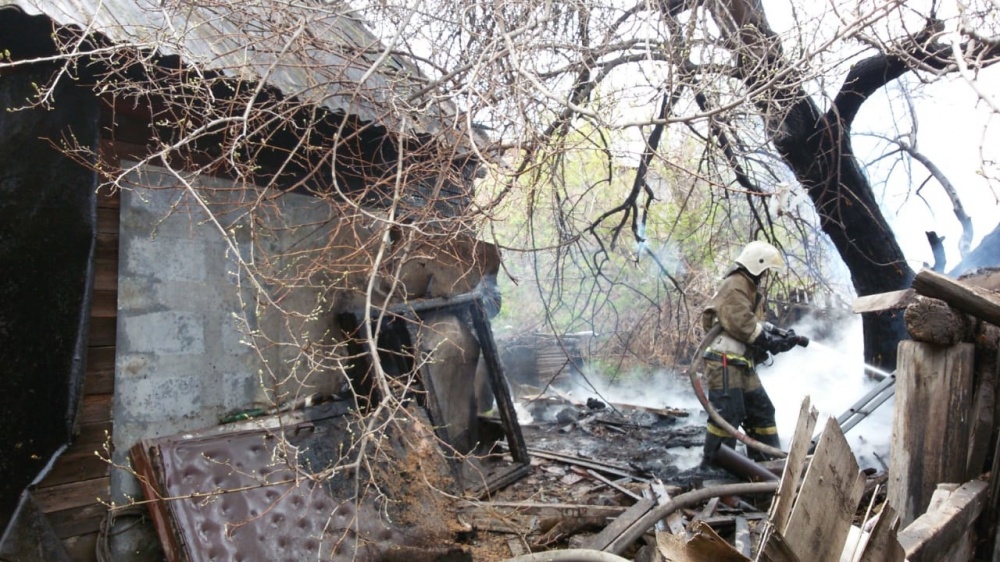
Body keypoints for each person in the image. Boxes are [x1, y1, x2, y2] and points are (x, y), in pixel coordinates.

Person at [699, 240, 800, 467]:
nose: (765, 275)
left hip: (741, 363)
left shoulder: (748, 287)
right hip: (724, 361)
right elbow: (743, 323)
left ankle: (768, 464)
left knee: (762, 411)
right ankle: (713, 467)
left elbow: (756, 323)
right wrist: (770, 343)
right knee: (728, 414)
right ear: (757, 264)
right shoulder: (735, 285)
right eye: (764, 270)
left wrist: (782, 338)